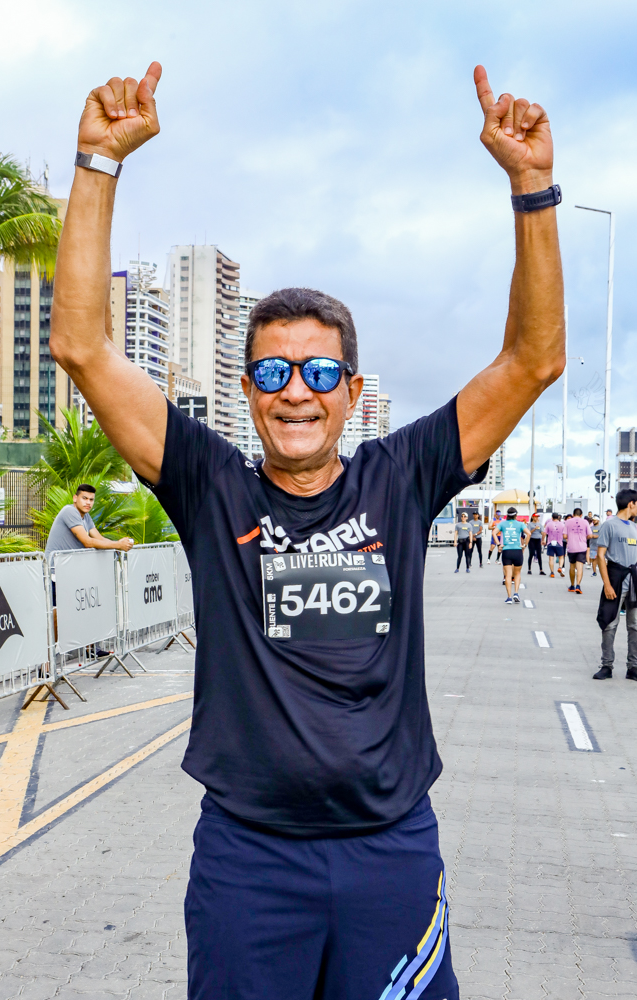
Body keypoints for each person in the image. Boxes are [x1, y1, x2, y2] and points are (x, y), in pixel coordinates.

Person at [49, 61, 565, 1000]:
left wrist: (531, 188)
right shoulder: (210, 485)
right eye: (274, 373)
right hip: (249, 861)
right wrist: (97, 162)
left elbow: (533, 360)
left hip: (389, 850)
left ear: (352, 393)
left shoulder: (401, 475)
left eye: (321, 374)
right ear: (247, 390)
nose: (297, 392)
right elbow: (83, 347)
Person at [44, 484, 134, 654]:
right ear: (75, 498)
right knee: (56, 615)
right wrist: (117, 545)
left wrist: (119, 545)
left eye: (91, 499)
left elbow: (98, 538)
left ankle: (91, 648)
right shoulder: (69, 511)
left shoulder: (86, 517)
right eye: (84, 498)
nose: (88, 502)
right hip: (55, 573)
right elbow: (87, 541)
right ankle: (47, 660)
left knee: (88, 607)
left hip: (73, 574)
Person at [592, 490, 637, 681]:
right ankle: (607, 665)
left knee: (634, 625)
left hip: (634, 579)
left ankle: (633, 667)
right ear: (631, 504)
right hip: (615, 577)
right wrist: (607, 585)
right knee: (610, 623)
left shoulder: (635, 527)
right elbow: (600, 556)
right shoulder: (609, 525)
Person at [493, 507, 530, 603]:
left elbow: (494, 532)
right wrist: (525, 545)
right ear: (516, 515)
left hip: (506, 551)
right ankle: (516, 593)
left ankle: (509, 597)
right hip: (517, 550)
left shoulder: (502, 524)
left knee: (508, 575)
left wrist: (498, 544)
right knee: (517, 573)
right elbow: (529, 533)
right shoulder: (520, 524)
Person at [564, 506, 592, 594]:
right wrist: (584, 537)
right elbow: (590, 535)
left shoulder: (568, 522)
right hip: (582, 547)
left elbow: (564, 536)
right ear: (581, 515)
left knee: (572, 566)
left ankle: (572, 585)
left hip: (571, 547)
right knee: (580, 567)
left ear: (573, 514)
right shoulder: (585, 522)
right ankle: (578, 585)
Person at [543, 512, 565, 577]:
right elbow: (565, 534)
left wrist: (543, 540)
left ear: (552, 517)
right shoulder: (562, 524)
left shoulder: (549, 524)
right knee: (561, 557)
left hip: (550, 542)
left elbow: (544, 533)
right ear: (558, 517)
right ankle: (560, 567)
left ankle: (552, 572)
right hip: (559, 542)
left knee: (551, 558)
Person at [526, 511, 545, 575]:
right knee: (531, 554)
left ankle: (541, 569)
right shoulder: (530, 524)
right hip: (532, 539)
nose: (536, 518)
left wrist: (543, 536)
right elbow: (528, 532)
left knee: (539, 555)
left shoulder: (540, 524)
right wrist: (534, 529)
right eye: (535, 517)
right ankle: (529, 569)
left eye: (537, 517)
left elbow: (542, 532)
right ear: (532, 517)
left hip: (538, 540)